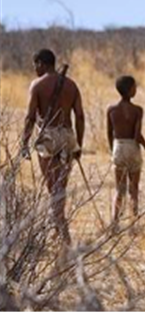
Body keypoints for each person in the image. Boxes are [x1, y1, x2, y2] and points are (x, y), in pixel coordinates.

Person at [20, 49, 85, 245]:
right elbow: (80, 116)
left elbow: (31, 117)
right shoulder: (71, 85)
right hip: (66, 136)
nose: (35, 69)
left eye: (35, 65)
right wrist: (79, 144)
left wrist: (24, 142)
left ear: (41, 63)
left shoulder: (37, 85)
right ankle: (58, 227)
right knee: (60, 187)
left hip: (47, 136)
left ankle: (62, 232)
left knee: (52, 187)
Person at [107, 75, 145, 228]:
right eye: (134, 87)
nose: (136, 90)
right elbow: (136, 135)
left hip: (118, 147)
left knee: (119, 190)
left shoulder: (111, 110)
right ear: (130, 90)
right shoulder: (137, 110)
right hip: (132, 148)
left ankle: (115, 223)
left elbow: (109, 133)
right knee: (134, 189)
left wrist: (112, 150)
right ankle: (133, 224)